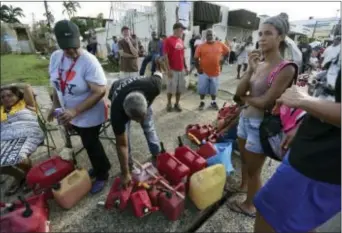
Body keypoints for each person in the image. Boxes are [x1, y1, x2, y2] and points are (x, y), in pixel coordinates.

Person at [253, 48, 340, 233]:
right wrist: (303, 124)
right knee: (298, 222)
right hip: (312, 147)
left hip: (322, 161)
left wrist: (304, 100)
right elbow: (330, 95)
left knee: (269, 216)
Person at [229, 14, 297, 217]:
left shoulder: (286, 68)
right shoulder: (258, 64)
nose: (262, 38)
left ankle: (250, 205)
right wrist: (250, 71)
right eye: (260, 34)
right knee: (244, 161)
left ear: (281, 37)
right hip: (244, 120)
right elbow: (239, 91)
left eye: (268, 33)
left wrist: (244, 99)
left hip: (260, 124)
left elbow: (267, 101)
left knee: (254, 170)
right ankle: (243, 187)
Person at [48, 20, 111, 194]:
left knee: (90, 142)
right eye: (67, 48)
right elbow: (56, 83)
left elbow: (99, 91)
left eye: (75, 47)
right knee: (86, 140)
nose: (72, 51)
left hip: (90, 113)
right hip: (70, 112)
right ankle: (98, 168)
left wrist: (75, 111)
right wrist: (55, 105)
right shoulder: (55, 57)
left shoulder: (89, 61)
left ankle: (102, 173)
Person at [108, 58, 167, 188]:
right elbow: (121, 145)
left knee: (148, 127)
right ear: (126, 113)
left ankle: (157, 153)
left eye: (141, 117)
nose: (138, 122)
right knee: (125, 138)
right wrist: (125, 173)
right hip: (117, 88)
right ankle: (128, 165)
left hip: (138, 92)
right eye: (135, 119)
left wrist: (159, 64)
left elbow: (159, 72)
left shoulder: (154, 86)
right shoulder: (117, 114)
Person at [0, 84, 44, 196]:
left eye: (10, 95)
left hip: (28, 134)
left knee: (20, 157)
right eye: (3, 97)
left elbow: (27, 87)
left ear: (17, 95)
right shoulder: (1, 110)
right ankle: (19, 176)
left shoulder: (26, 104)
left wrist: (11, 86)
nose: (6, 98)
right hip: (6, 138)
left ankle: (30, 176)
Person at [194, 29, 230, 110]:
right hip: (204, 72)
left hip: (215, 72)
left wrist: (223, 61)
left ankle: (213, 102)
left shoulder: (220, 44)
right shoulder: (201, 46)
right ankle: (202, 102)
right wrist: (198, 68)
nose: (210, 36)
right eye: (208, 35)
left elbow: (228, 52)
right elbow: (196, 58)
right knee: (202, 89)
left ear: (215, 36)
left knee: (214, 89)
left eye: (211, 35)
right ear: (206, 37)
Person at [163, 22, 189, 112]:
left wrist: (185, 67)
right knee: (170, 88)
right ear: (176, 29)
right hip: (172, 69)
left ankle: (177, 104)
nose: (182, 31)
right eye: (181, 29)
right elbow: (165, 56)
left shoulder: (180, 40)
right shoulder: (168, 40)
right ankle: (169, 103)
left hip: (181, 69)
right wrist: (168, 69)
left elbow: (182, 55)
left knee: (179, 88)